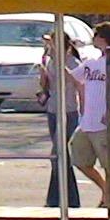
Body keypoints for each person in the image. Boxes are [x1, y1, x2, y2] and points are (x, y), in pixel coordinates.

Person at [67, 20, 110, 209]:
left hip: (103, 123)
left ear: (103, 38)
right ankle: (106, 190)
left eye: (96, 35)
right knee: (79, 158)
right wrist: (59, 56)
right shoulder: (91, 63)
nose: (93, 38)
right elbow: (72, 77)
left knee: (109, 165)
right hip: (86, 122)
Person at [38, 29, 82, 208]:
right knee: (61, 156)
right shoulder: (50, 61)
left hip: (68, 111)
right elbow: (46, 85)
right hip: (53, 109)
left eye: (53, 43)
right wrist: (43, 74)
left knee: (58, 154)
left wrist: (60, 61)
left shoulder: (73, 62)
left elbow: (75, 81)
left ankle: (61, 198)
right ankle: (62, 198)